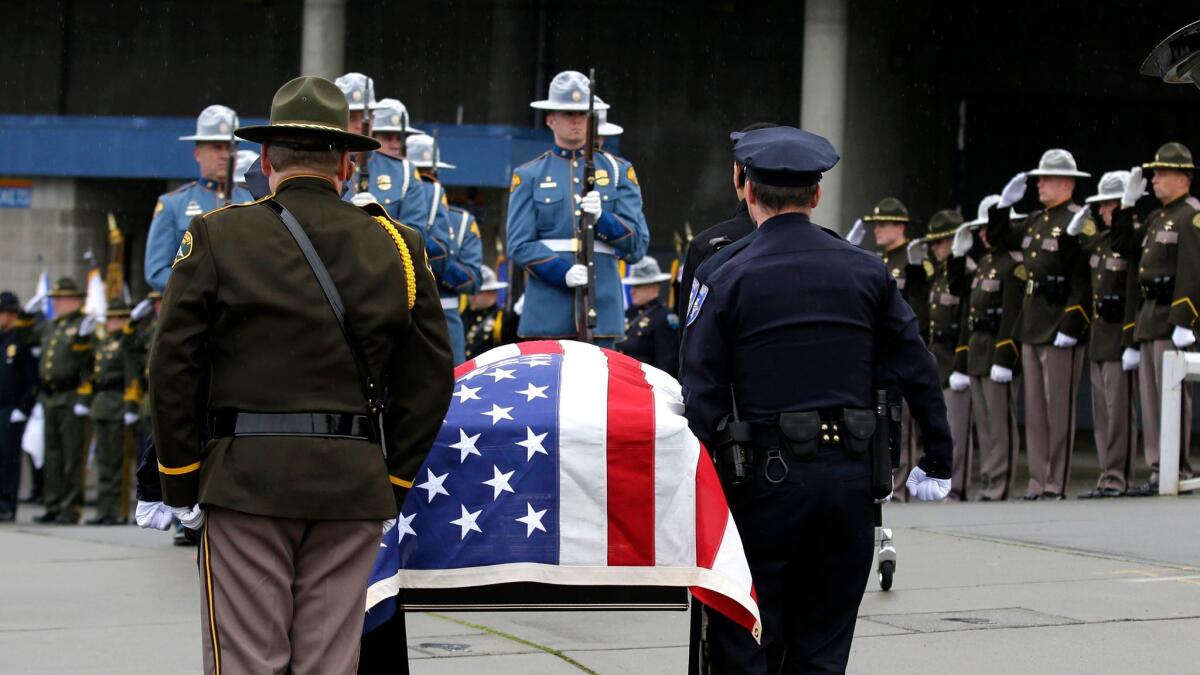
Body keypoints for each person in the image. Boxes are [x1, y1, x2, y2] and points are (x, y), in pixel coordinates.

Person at [142, 76, 454, 674]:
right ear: (345, 163)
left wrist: (180, 479)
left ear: (264, 160)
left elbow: (173, 365)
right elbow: (429, 379)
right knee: (328, 661)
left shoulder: (218, 235)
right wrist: (391, 478)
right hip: (351, 481)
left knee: (249, 658)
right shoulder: (397, 245)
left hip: (246, 480)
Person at [679, 126, 952, 673]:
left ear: (748, 190)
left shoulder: (724, 272)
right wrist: (937, 457)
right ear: (817, 195)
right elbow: (917, 367)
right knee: (823, 645)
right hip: (849, 481)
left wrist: (704, 477)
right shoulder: (867, 269)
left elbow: (700, 388)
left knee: (748, 639)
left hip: (761, 484)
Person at [506, 70, 649, 347]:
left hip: (601, 308)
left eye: (582, 113)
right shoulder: (529, 175)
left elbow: (638, 245)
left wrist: (603, 220)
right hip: (547, 312)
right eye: (567, 113)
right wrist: (562, 272)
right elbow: (518, 244)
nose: (575, 120)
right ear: (550, 119)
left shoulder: (619, 171)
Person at [988, 149, 1092, 500]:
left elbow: (1083, 278)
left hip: (1059, 320)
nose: (1040, 185)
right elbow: (1001, 238)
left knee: (1058, 408)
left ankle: (1054, 482)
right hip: (1032, 321)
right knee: (1034, 409)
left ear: (1066, 183)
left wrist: (1072, 322)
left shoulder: (1079, 219)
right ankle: (1036, 480)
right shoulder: (1036, 220)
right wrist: (1002, 206)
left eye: (1046, 179)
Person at [1111, 142, 1200, 496]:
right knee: (1151, 400)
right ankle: (1157, 468)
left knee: (1173, 398)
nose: (1155, 179)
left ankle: (1175, 465)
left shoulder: (1190, 216)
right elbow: (1124, 247)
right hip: (1150, 318)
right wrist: (1127, 206)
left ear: (1183, 177)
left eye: (1162, 173)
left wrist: (1185, 320)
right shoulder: (1157, 216)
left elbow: (1192, 271)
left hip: (1171, 320)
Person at [851, 197, 931, 500]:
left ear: (900, 226)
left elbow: (920, 303)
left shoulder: (911, 260)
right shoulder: (879, 261)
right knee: (883, 419)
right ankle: (887, 483)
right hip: (878, 350)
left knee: (904, 423)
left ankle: (902, 488)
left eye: (883, 224)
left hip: (900, 350)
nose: (877, 230)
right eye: (875, 225)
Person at [1070, 171, 1139, 498]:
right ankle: (1106, 474)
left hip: (1118, 337)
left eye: (1110, 205)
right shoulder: (1098, 241)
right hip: (1099, 335)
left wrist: (1129, 337)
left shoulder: (1132, 239)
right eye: (1102, 205)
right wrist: (1073, 235)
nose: (1104, 211)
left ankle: (1117, 477)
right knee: (1102, 413)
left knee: (1119, 413)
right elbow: (1072, 266)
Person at [958, 195, 1025, 501]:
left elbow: (1012, 314)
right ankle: (988, 479)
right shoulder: (985, 263)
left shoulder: (1014, 264)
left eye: (988, 229)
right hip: (979, 349)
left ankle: (999, 483)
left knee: (1000, 423)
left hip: (997, 350)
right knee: (984, 424)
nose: (983, 235)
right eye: (980, 230)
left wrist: (1005, 355)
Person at [144, 105, 252, 291]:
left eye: (230, 148)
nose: (225, 155)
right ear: (197, 154)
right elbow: (156, 271)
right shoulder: (173, 204)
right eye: (217, 148)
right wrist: (200, 287)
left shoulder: (254, 200)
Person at [675, 123, 775, 318]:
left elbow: (690, 340)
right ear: (816, 195)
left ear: (738, 175)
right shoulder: (834, 253)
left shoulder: (706, 247)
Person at [914, 210, 975, 501]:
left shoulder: (967, 272)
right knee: (937, 426)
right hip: (937, 356)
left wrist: (962, 362)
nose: (936, 249)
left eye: (941, 243)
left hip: (955, 358)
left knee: (956, 429)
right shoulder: (938, 276)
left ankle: (957, 484)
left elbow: (967, 321)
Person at [408, 132, 483, 364]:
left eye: (429, 175)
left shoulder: (461, 222)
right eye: (418, 175)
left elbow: (472, 280)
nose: (424, 182)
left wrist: (432, 256)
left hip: (444, 317)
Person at [34, 279, 93, 525]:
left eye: (60, 299)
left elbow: (91, 365)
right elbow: (27, 336)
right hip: (50, 396)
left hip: (71, 396)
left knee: (72, 455)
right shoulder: (52, 327)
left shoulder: (84, 325)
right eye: (55, 299)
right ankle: (53, 504)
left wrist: (83, 397)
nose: (56, 304)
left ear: (74, 301)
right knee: (53, 455)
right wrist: (28, 315)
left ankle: (71, 507)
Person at [82, 302, 137, 525]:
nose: (111, 322)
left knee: (118, 462)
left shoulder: (126, 343)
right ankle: (104, 510)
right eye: (110, 318)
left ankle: (118, 510)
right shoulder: (104, 343)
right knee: (104, 461)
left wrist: (131, 406)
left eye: (117, 318)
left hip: (118, 405)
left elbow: (132, 375)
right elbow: (87, 365)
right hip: (102, 404)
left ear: (125, 320)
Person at [0, 291, 37, 522]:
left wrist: (23, 408)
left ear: (11, 314)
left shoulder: (22, 340)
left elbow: (32, 379)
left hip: (11, 408)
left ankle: (6, 503)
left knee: (8, 458)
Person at [617, 256, 679, 375]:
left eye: (638, 286)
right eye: (632, 286)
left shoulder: (664, 318)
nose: (632, 291)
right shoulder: (629, 313)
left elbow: (666, 364)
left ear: (654, 286)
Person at [462, 265, 518, 360]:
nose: (472, 297)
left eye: (478, 292)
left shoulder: (503, 319)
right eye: (472, 292)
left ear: (492, 293)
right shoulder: (466, 314)